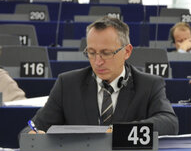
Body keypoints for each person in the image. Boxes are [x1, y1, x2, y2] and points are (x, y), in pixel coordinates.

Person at [23, 16, 178, 135]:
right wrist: (33, 135)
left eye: (106, 53)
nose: (98, 62)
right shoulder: (68, 84)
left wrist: (120, 132)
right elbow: (31, 129)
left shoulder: (149, 85)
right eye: (91, 53)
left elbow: (169, 123)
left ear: (127, 51)